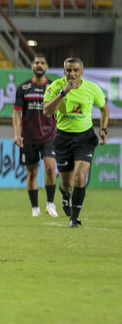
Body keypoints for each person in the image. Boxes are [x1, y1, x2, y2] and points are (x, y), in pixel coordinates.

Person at [43, 57, 109, 228]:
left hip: (85, 138)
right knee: (66, 184)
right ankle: (66, 196)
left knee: (80, 177)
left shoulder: (92, 88)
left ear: (82, 72)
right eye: (69, 70)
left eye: (75, 70)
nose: (72, 73)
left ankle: (74, 218)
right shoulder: (55, 87)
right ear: (64, 71)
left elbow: (104, 109)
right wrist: (64, 92)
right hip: (63, 138)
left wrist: (103, 129)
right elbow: (46, 111)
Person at [13, 53, 58, 217]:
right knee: (31, 173)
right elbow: (17, 113)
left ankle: (50, 204)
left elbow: (60, 110)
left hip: (49, 136)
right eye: (37, 62)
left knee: (50, 167)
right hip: (28, 138)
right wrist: (16, 134)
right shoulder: (23, 88)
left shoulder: (53, 87)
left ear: (46, 67)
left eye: (42, 63)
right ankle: (35, 208)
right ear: (32, 66)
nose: (39, 65)